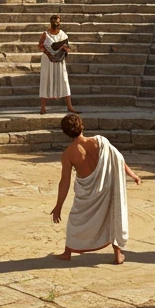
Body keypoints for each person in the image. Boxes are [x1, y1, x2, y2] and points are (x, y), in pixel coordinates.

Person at [50, 114, 139, 265]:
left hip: (87, 194)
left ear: (65, 132)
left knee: (75, 220)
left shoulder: (68, 154)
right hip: (107, 189)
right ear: (82, 126)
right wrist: (133, 175)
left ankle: (67, 252)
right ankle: (118, 254)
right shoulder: (101, 141)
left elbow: (65, 181)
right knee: (113, 215)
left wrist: (58, 206)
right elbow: (118, 159)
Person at [39, 16, 76, 114]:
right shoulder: (45, 34)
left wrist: (63, 48)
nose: (56, 23)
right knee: (45, 79)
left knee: (63, 80)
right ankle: (43, 107)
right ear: (51, 22)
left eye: (57, 21)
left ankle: (69, 106)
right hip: (47, 60)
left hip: (59, 59)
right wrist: (48, 51)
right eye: (54, 21)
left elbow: (68, 48)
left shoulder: (63, 35)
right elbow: (40, 45)